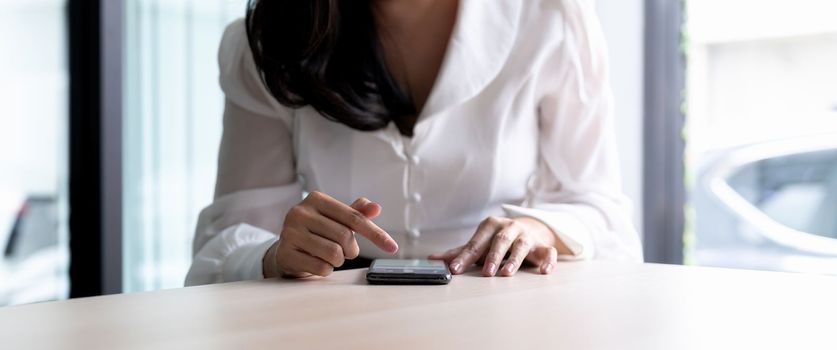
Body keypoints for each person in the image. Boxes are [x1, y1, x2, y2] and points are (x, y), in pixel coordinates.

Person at [185, 0, 642, 286]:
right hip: (328, 325)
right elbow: (225, 243)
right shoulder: (269, 37)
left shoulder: (552, 15)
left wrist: (543, 229)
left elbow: (603, 214)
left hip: (501, 311)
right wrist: (276, 254)